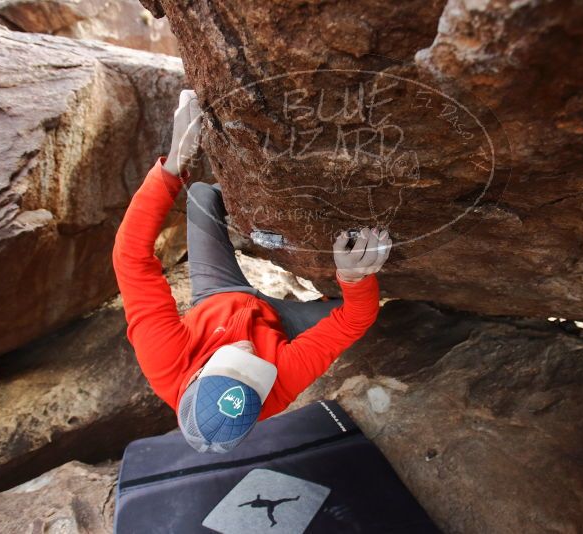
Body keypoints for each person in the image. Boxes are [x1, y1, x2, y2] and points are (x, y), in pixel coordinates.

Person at [112, 90, 392, 454]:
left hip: (218, 294)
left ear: (195, 375)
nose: (245, 348)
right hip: (281, 324)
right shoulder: (273, 387)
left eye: (233, 361)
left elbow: (130, 258)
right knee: (355, 304)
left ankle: (239, 200)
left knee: (200, 196)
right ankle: (331, 289)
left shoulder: (164, 356)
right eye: (253, 368)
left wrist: (172, 166)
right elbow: (353, 321)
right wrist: (355, 279)